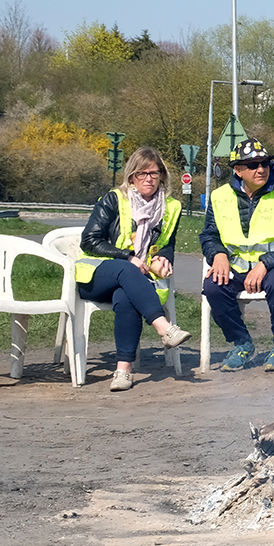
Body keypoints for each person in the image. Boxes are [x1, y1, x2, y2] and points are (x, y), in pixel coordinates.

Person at [74, 146, 191, 392]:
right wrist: (126, 256)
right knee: (127, 269)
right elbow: (89, 240)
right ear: (131, 177)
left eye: (154, 173)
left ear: (162, 176)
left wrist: (163, 257)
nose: (148, 179)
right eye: (142, 173)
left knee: (126, 297)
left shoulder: (171, 207)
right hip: (98, 275)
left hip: (135, 282)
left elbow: (167, 242)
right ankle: (164, 328)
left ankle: (123, 370)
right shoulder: (113, 199)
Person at [199, 137, 274, 372]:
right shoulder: (218, 197)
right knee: (213, 286)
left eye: (265, 163)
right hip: (235, 267)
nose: (261, 169)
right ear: (238, 170)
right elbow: (209, 235)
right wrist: (218, 255)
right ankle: (241, 344)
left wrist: (266, 263)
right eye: (253, 165)